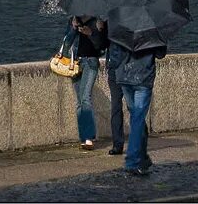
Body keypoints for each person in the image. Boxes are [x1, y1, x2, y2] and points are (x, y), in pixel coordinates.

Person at [108, 41, 167, 176]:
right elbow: (160, 54)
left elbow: (115, 58)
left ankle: (141, 158)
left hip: (125, 77)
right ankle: (137, 160)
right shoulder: (152, 31)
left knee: (137, 117)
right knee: (138, 118)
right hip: (143, 78)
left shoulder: (121, 29)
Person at [62, 15, 108, 150]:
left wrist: (91, 33)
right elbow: (66, 44)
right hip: (75, 63)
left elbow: (102, 46)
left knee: (85, 98)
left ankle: (89, 137)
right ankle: (84, 136)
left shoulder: (98, 21)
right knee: (79, 101)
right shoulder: (73, 20)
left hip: (90, 62)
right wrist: (73, 28)